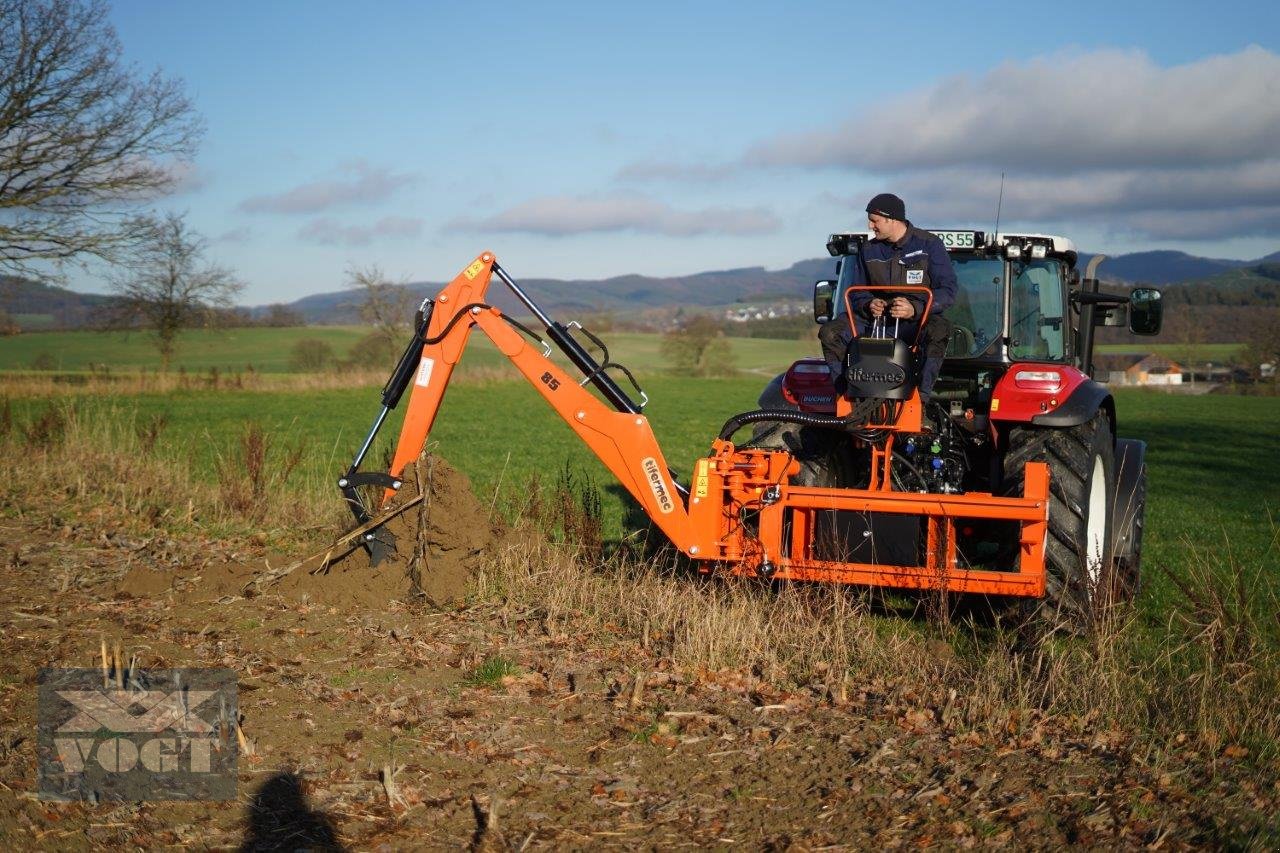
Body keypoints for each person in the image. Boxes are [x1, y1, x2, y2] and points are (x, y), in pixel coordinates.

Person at [818, 193, 957, 402]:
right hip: (875, 322)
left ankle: (920, 399)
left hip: (914, 324)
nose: (870, 225)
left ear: (891, 219)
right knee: (830, 333)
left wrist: (914, 308)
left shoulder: (929, 245)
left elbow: (947, 291)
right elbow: (856, 291)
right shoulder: (868, 250)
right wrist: (868, 303)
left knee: (939, 329)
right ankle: (847, 395)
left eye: (874, 220)